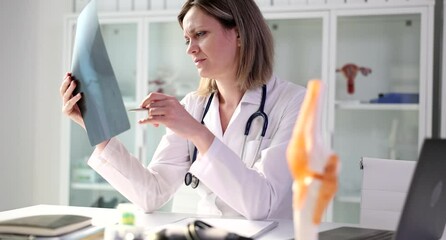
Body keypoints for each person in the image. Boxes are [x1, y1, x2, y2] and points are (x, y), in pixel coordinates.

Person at [60, 0, 306, 220]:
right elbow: (152, 193)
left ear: (240, 33)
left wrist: (197, 132)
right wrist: (96, 128)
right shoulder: (194, 105)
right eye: (187, 39)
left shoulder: (293, 101)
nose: (190, 49)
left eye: (200, 34)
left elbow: (263, 204)